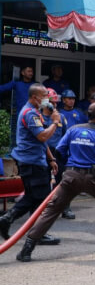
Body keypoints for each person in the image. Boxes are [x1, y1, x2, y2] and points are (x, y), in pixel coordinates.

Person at [15, 102, 95, 261]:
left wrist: (71, 165)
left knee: (52, 210)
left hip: (71, 176)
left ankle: (26, 250)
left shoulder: (73, 130)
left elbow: (59, 152)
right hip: (94, 178)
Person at [0, 83, 62, 244]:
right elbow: (42, 136)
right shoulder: (30, 114)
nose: (47, 99)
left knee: (34, 197)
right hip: (32, 162)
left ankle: (34, 232)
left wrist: (51, 158)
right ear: (35, 97)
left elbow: (41, 142)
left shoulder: (35, 112)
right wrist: (55, 122)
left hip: (34, 161)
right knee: (39, 199)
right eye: (44, 95)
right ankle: (9, 219)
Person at [41, 88, 74, 220]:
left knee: (63, 182)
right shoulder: (38, 117)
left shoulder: (61, 117)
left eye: (55, 102)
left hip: (59, 153)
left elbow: (66, 136)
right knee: (43, 181)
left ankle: (64, 208)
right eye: (51, 102)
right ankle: (43, 209)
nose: (54, 105)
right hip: (43, 152)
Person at [0, 66, 36, 145]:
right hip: (21, 115)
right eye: (29, 71)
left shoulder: (35, 85)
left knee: (33, 136)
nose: (31, 73)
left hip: (34, 115)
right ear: (23, 73)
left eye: (32, 71)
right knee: (19, 137)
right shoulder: (17, 83)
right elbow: (2, 88)